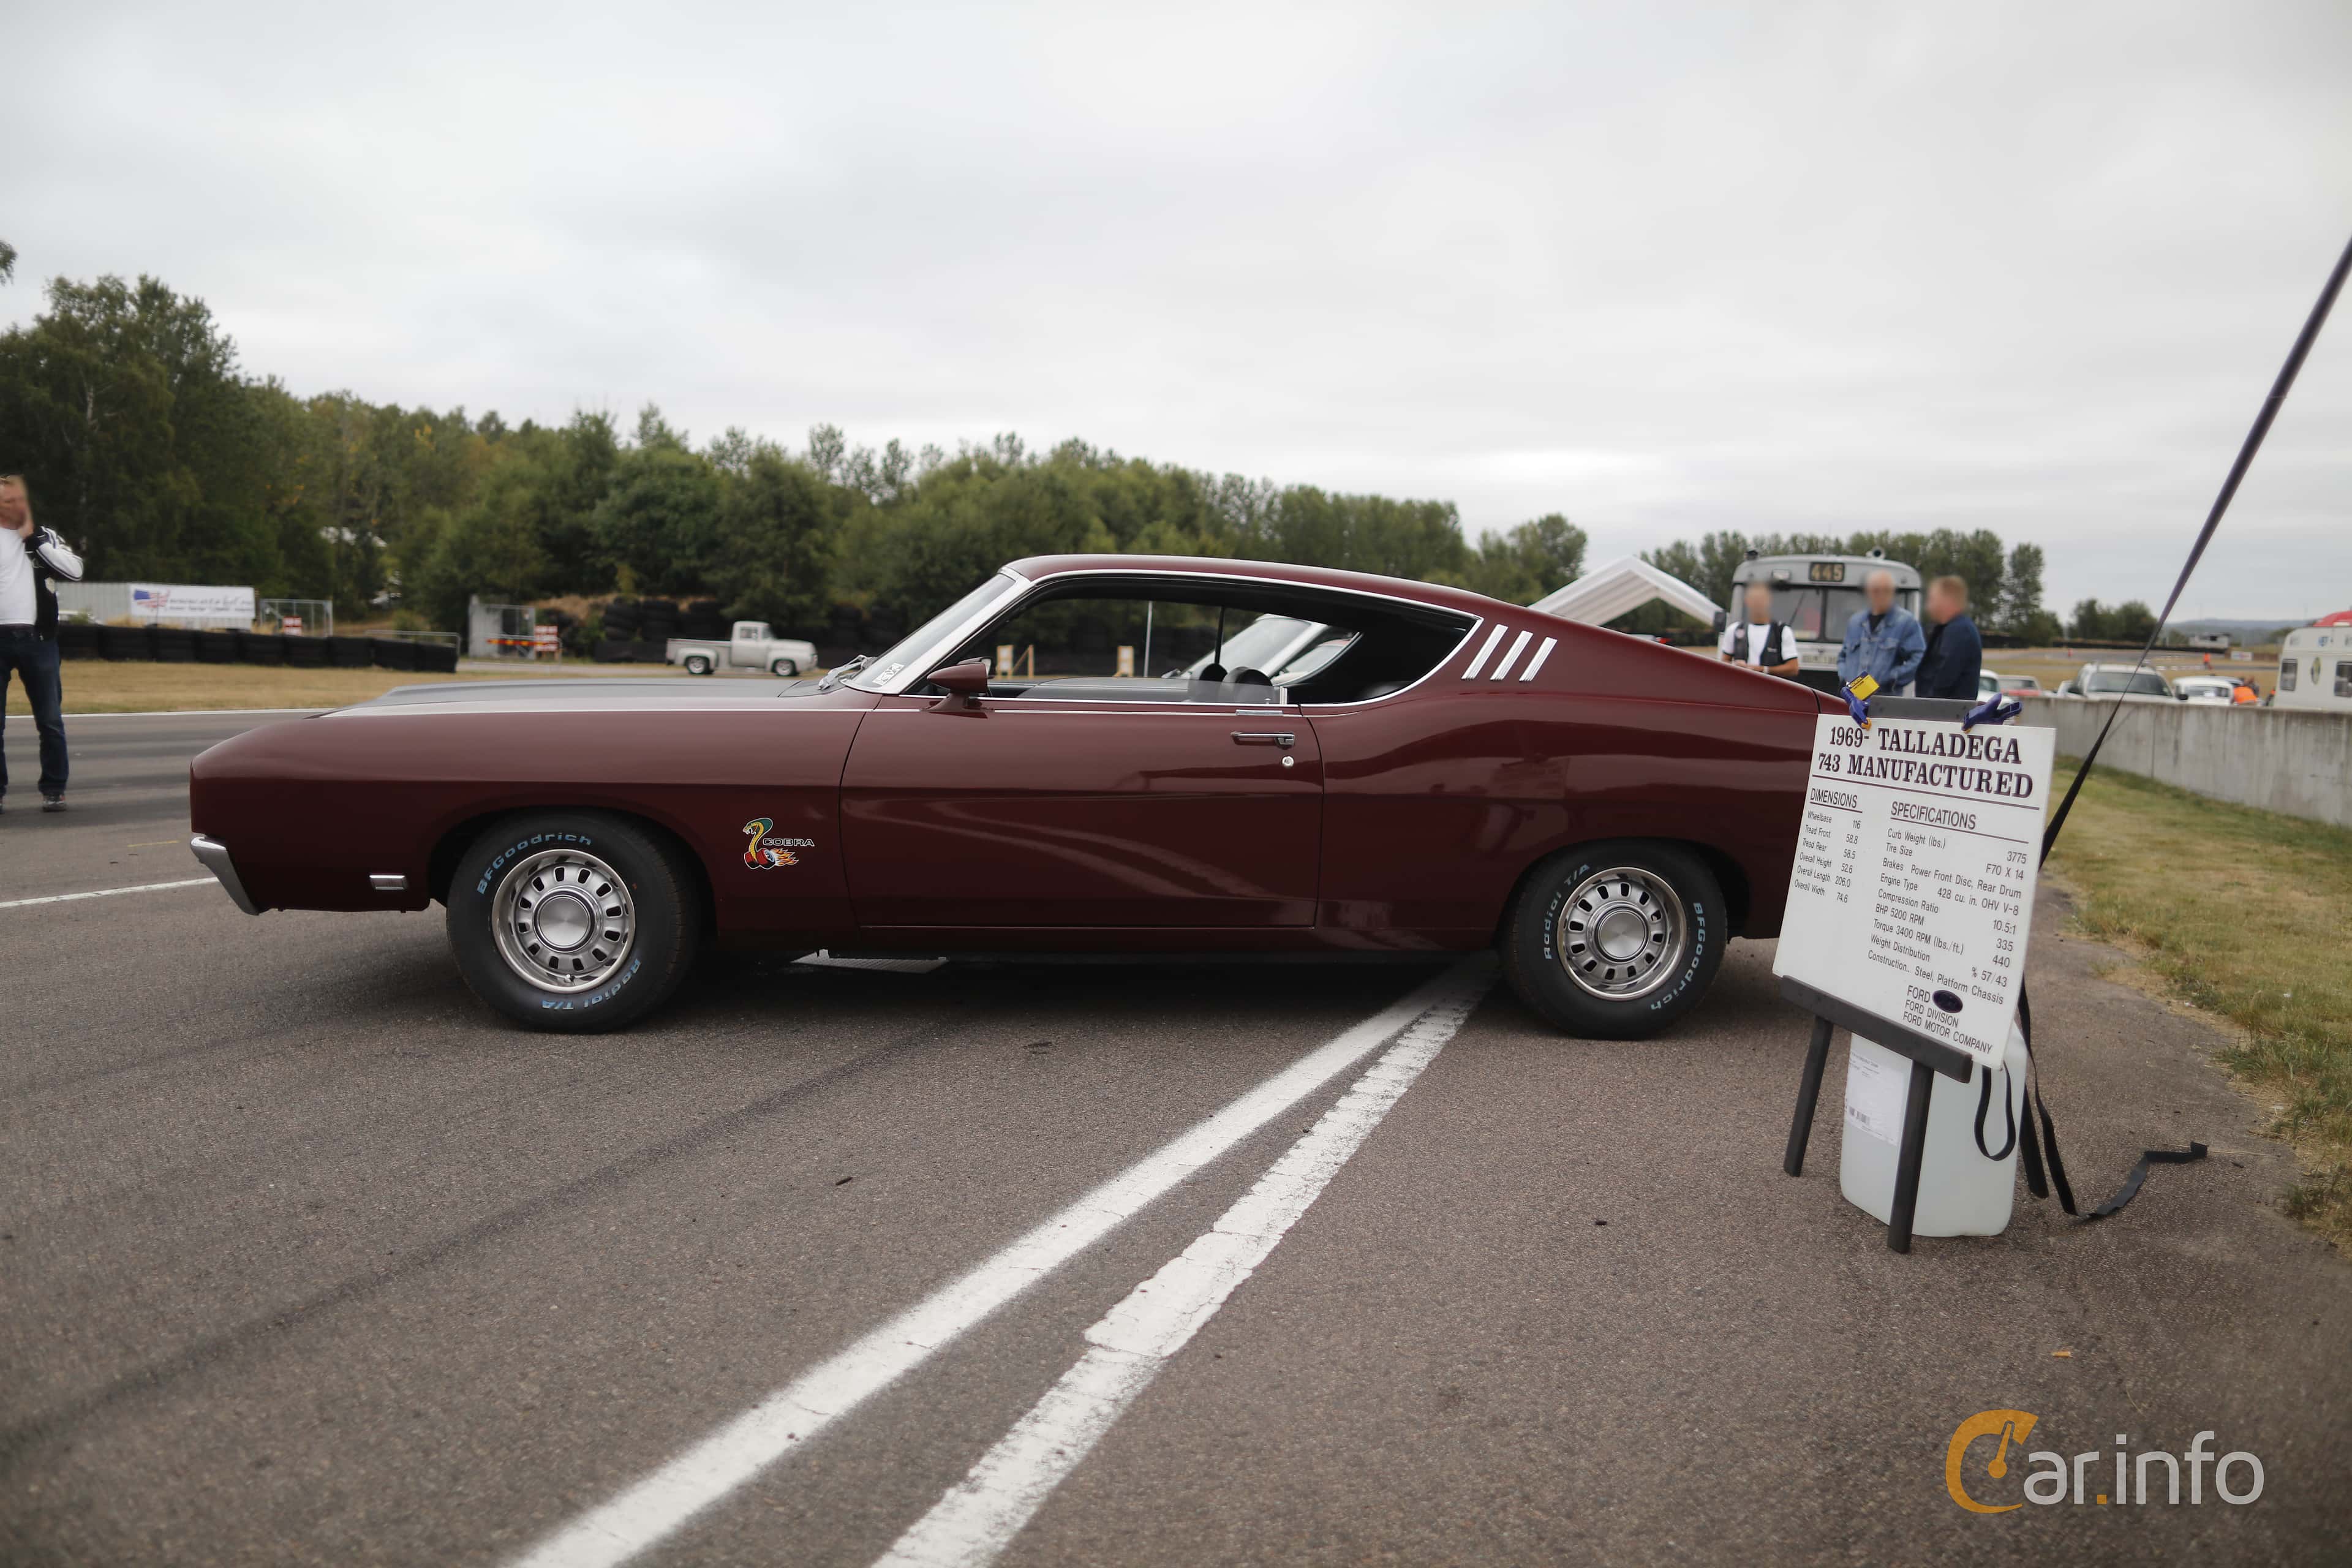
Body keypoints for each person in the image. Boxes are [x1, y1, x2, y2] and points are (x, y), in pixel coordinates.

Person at [0, 475, 84, 813]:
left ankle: (54, 789)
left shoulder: (43, 536)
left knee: (49, 719)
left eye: (16, 499)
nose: (12, 505)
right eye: (5, 500)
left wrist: (33, 538)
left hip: (39, 639)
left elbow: (75, 570)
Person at [1836, 568, 1925, 694]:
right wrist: (1845, 677)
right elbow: (1843, 656)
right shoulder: (1855, 622)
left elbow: (1919, 659)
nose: (1881, 595)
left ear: (1893, 592)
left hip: (1885, 701)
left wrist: (1893, 678)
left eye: (1886, 590)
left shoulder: (1906, 622)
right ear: (1869, 592)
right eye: (1876, 591)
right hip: (1852, 700)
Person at [1912, 575, 1983, 701]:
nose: (1928, 606)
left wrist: (1927, 704)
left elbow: (1944, 677)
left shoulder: (1959, 630)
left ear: (1947, 600)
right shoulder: (1948, 629)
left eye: (1932, 599)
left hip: (1947, 714)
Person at [1718, 579, 1800, 677]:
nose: (1758, 604)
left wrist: (1763, 670)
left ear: (1769, 600)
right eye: (1754, 599)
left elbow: (1793, 668)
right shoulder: (1734, 630)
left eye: (1761, 599)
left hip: (1771, 690)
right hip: (1742, 688)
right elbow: (1724, 662)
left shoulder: (1782, 631)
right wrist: (1735, 666)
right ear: (1747, 601)